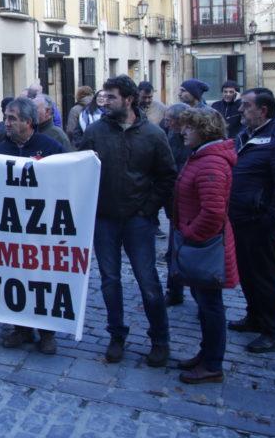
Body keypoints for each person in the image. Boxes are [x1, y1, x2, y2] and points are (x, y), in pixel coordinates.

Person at [79, 75, 176, 367]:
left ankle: (160, 339)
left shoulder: (153, 135)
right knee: (109, 281)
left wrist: (147, 209)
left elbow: (167, 176)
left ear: (129, 100)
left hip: (138, 221)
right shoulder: (95, 131)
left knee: (148, 281)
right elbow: (82, 168)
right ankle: (116, 335)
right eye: (103, 97)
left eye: (111, 97)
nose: (105, 102)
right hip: (104, 220)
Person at [227, 87, 275, 353]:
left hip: (260, 222)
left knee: (266, 276)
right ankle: (254, 317)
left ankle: (273, 331)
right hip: (240, 218)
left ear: (263, 110)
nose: (240, 110)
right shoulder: (247, 134)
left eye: (246, 106)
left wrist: (272, 220)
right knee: (247, 272)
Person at [171, 107, 239, 384]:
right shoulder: (202, 156)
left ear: (205, 130)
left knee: (211, 306)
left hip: (205, 245)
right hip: (198, 241)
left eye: (189, 127)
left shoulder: (211, 162)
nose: (183, 131)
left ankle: (213, 364)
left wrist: (189, 234)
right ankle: (207, 354)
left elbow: (212, 212)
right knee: (204, 303)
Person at [0, 97, 64, 353]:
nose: (7, 123)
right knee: (15, 278)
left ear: (28, 121)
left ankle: (47, 333)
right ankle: (21, 328)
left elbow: (68, 179)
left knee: (43, 279)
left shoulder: (51, 147)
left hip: (42, 228)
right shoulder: (0, 150)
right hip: (11, 227)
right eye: (5, 117)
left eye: (12, 118)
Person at [162, 103, 193, 305]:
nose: (167, 123)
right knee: (174, 251)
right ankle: (174, 291)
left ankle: (202, 295)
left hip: (190, 207)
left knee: (193, 253)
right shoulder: (171, 136)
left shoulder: (192, 139)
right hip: (174, 203)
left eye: (170, 119)